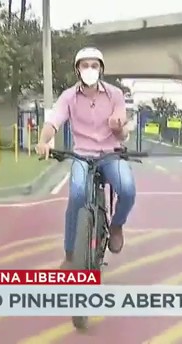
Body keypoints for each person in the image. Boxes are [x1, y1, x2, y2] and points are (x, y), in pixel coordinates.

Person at [35, 47, 136, 269]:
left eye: (94, 65)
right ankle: (71, 254)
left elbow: (123, 130)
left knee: (127, 189)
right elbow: (53, 122)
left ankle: (117, 225)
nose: (89, 69)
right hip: (82, 155)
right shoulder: (69, 96)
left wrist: (118, 128)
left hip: (111, 154)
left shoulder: (115, 95)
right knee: (78, 195)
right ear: (77, 69)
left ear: (101, 69)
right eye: (85, 65)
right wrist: (43, 142)